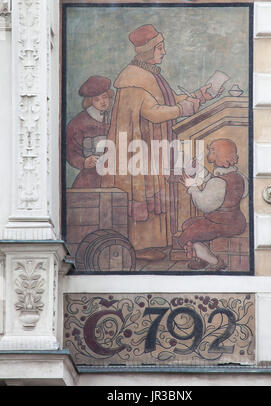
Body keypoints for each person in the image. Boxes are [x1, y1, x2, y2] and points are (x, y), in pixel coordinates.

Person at [101, 24, 212, 261]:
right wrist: (181, 109)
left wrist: (195, 96)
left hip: (153, 147)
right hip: (138, 150)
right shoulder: (133, 79)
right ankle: (141, 246)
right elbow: (152, 112)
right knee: (144, 192)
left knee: (157, 192)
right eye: (160, 48)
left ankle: (158, 242)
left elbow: (166, 99)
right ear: (147, 51)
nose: (164, 52)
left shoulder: (150, 74)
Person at [178, 138, 248, 271]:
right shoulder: (240, 176)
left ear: (218, 155)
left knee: (188, 235)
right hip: (237, 221)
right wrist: (199, 169)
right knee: (188, 224)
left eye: (211, 151)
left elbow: (204, 204)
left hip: (220, 223)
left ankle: (215, 261)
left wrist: (192, 186)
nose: (208, 153)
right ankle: (204, 259)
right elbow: (219, 185)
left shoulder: (218, 182)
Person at [66, 75, 113, 188]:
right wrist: (84, 162)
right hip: (91, 177)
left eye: (104, 97)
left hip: (115, 175)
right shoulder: (78, 123)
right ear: (90, 101)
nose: (102, 102)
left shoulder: (116, 116)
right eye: (97, 99)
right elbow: (69, 151)